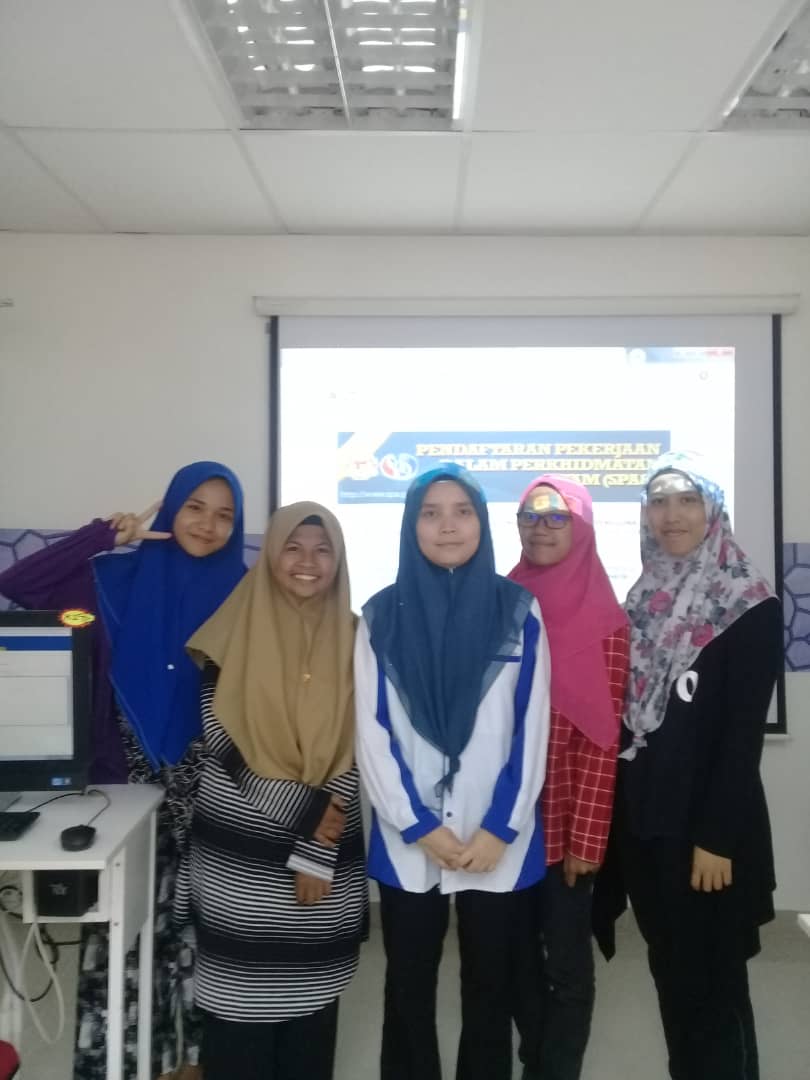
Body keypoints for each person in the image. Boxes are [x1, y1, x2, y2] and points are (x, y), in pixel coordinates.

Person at [0, 461, 246, 1080]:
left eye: (225, 514)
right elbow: (17, 584)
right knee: (123, 931)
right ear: (171, 509)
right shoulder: (111, 578)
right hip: (125, 785)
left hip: (213, 785)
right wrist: (101, 536)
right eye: (195, 507)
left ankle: (194, 1062)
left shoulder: (246, 593)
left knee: (202, 931)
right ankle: (121, 1063)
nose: (208, 524)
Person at [354, 464, 551, 1080]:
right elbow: (372, 733)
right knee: (408, 987)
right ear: (411, 525)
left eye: (462, 511)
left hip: (495, 841)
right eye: (431, 512)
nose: (447, 526)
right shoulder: (379, 617)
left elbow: (532, 729)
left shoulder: (519, 611)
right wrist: (416, 824)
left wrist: (500, 827)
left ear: (482, 523)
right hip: (410, 839)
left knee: (491, 986)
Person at [600, 452, 780, 1080]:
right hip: (647, 826)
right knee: (674, 978)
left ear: (713, 510)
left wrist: (717, 839)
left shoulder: (747, 603)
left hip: (707, 836)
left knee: (713, 987)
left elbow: (741, 737)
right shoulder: (641, 599)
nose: (671, 515)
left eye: (687, 500)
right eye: (658, 501)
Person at [182, 502, 368, 1080]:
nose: (307, 561)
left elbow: (361, 748)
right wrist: (305, 814)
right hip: (239, 863)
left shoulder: (360, 641)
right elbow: (222, 736)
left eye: (323, 549)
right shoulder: (233, 628)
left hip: (320, 873)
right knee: (237, 1036)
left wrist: (316, 847)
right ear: (270, 555)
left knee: (308, 1033)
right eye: (293, 547)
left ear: (339, 561)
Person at [508, 477, 629, 1080]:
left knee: (566, 967)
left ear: (581, 528)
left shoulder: (608, 622)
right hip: (503, 823)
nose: (541, 527)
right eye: (530, 515)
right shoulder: (502, 602)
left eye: (557, 517)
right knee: (514, 961)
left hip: (564, 822)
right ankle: (536, 1058)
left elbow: (604, 743)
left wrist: (587, 840)